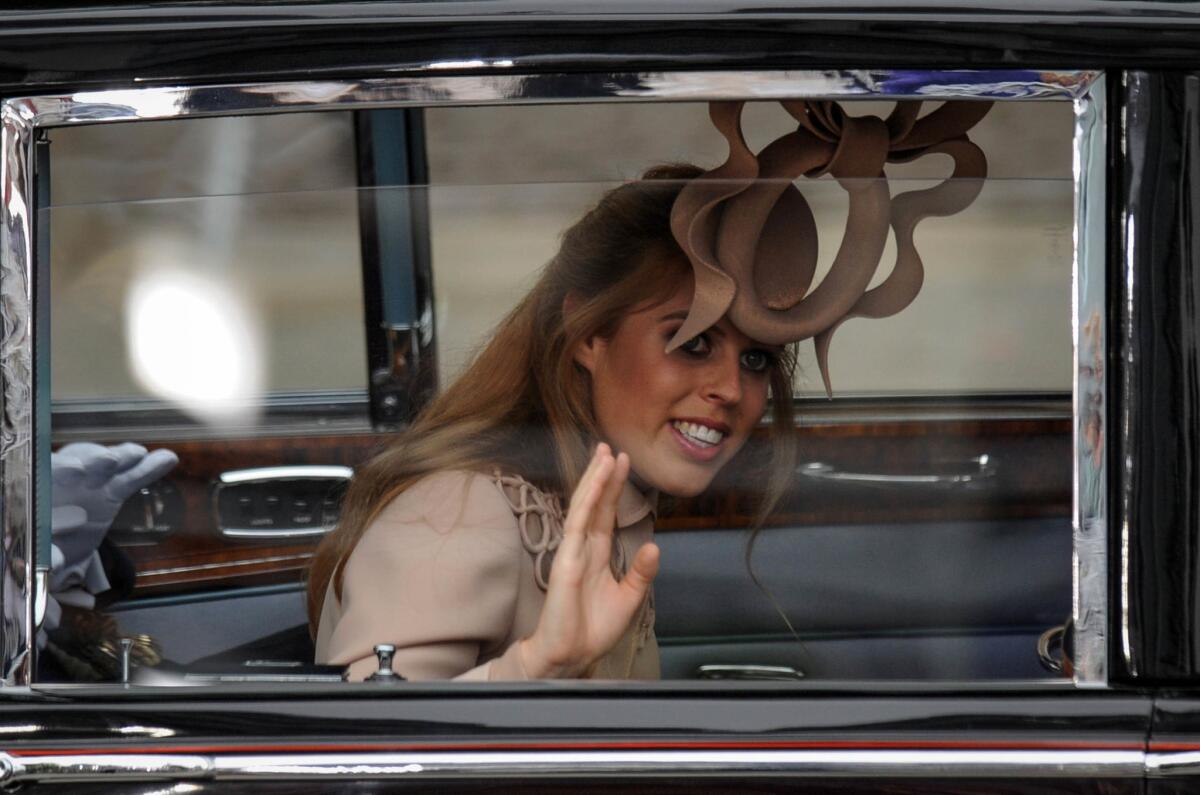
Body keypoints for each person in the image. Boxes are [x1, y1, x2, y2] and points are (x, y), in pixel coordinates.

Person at [308, 99, 991, 681]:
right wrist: (534, 663)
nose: (730, 387)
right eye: (692, 341)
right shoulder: (464, 511)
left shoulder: (600, 498)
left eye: (757, 359)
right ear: (585, 331)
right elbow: (361, 760)